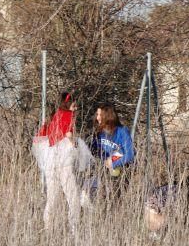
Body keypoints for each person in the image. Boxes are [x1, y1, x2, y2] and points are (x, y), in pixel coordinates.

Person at [35, 92, 81, 229]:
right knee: (73, 198)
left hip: (50, 163)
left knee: (51, 199)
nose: (76, 107)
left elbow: (39, 138)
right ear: (68, 104)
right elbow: (69, 137)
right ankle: (75, 228)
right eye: (74, 104)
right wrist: (74, 143)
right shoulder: (69, 116)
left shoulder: (52, 117)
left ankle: (48, 228)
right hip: (63, 163)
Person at [91, 104, 135, 179]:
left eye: (100, 115)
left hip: (122, 171)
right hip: (104, 171)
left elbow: (129, 154)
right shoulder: (99, 132)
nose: (97, 117)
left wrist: (113, 161)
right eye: (97, 114)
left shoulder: (122, 131)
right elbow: (94, 149)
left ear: (108, 117)